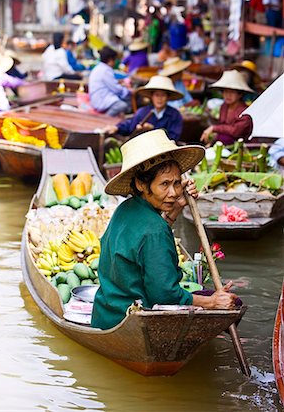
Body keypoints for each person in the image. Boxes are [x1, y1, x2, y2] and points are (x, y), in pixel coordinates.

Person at [91, 129, 239, 330]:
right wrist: (212, 302)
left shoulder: (125, 208)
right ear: (141, 184)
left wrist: (178, 205)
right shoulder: (154, 230)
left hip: (106, 313)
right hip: (135, 319)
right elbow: (164, 295)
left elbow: (148, 241)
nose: (174, 192)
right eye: (165, 184)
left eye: (177, 183)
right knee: (234, 303)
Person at [104, 75, 184, 141]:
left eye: (163, 95)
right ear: (152, 97)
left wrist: (153, 130)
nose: (159, 99)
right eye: (157, 95)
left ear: (167, 97)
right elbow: (130, 126)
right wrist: (117, 127)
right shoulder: (142, 112)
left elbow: (174, 137)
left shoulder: (175, 115)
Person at [200, 70, 254, 146]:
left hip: (239, 148)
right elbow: (222, 127)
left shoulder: (245, 112)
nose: (228, 95)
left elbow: (235, 131)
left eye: (232, 92)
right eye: (226, 92)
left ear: (240, 94)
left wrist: (214, 128)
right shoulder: (224, 106)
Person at [89, 46, 131, 117]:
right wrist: (128, 91)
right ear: (110, 60)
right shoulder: (105, 70)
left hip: (99, 98)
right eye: (114, 60)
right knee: (122, 105)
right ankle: (106, 118)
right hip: (101, 100)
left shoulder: (100, 68)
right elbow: (117, 89)